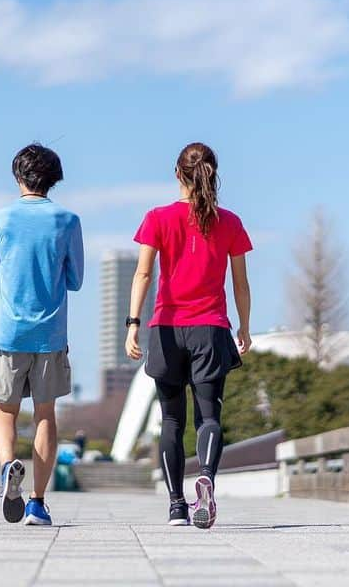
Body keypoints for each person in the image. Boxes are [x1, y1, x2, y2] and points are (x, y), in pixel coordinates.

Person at [125, 142, 252, 529]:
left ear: (177, 174)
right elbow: (240, 284)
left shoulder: (158, 218)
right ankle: (207, 480)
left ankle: (177, 505)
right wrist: (244, 326)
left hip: (166, 328)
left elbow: (144, 274)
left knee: (171, 421)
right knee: (209, 416)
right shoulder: (229, 221)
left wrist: (133, 324)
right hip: (210, 328)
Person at [0, 143, 84, 527]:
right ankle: (37, 504)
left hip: (9, 332)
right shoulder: (67, 220)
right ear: (54, 179)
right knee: (45, 415)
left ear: (18, 176)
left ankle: (7, 465)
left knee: (5, 412)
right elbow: (76, 279)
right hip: (50, 333)